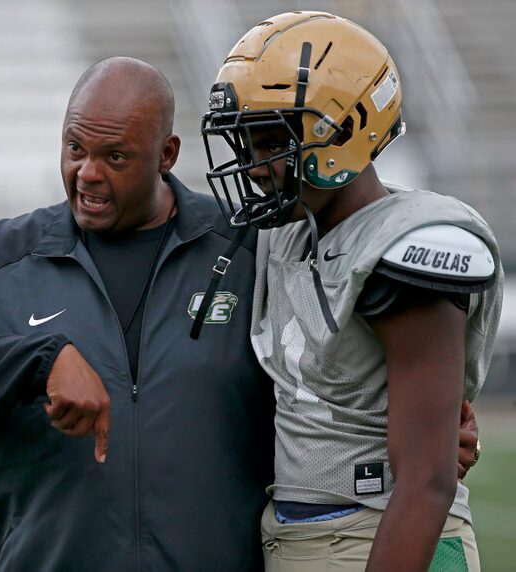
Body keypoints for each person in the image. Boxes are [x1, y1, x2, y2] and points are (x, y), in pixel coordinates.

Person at [0, 56, 276, 571]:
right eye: (74, 148)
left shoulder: (249, 248)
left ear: (166, 154)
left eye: (116, 157)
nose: (87, 173)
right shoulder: (0, 257)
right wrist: (40, 360)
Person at [200, 11, 502, 571]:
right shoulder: (289, 230)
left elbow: (426, 480)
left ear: (342, 130)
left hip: (379, 537)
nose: (252, 166)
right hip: (305, 540)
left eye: (270, 141)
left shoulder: (409, 244)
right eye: (245, 142)